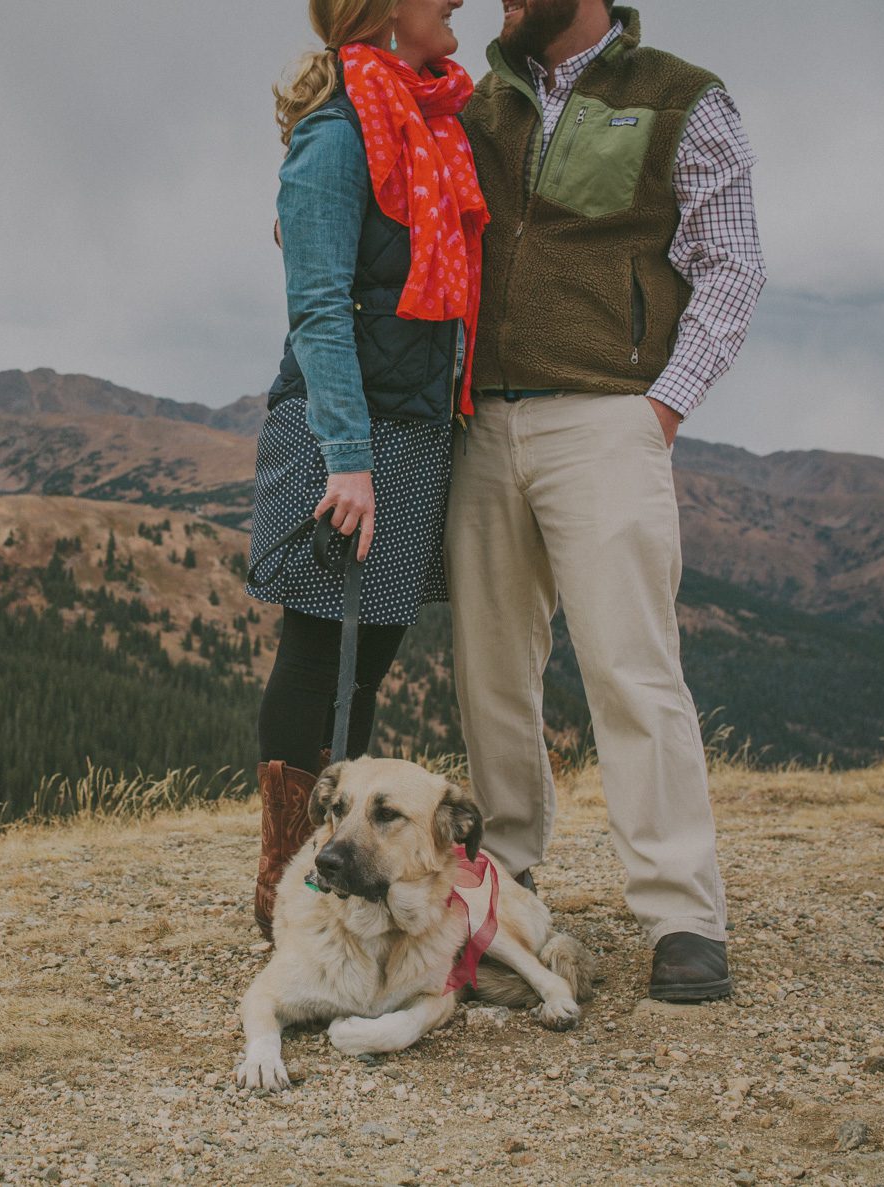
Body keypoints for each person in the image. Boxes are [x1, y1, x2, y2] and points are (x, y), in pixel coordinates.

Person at [450, 1, 765, 999]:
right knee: (491, 666)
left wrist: (659, 409)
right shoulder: (478, 100)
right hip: (482, 421)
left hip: (606, 418)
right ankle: (505, 875)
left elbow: (733, 264)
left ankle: (681, 912)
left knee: (631, 666)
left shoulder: (680, 97)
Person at [247, 0, 487, 939]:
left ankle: (340, 866)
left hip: (415, 433)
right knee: (318, 652)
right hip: (343, 435)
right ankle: (285, 881)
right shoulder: (337, 137)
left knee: (369, 661)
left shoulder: (432, 128)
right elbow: (317, 308)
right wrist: (348, 460)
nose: (459, 2)